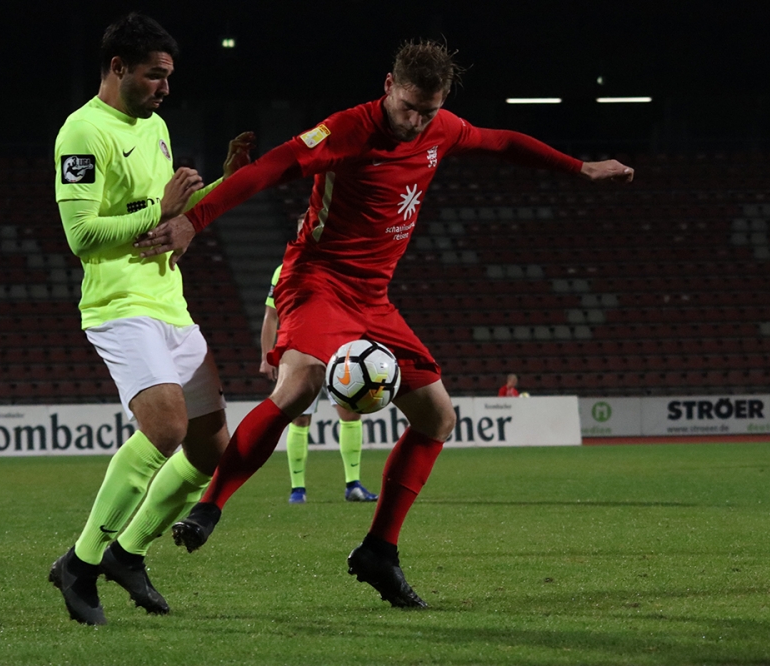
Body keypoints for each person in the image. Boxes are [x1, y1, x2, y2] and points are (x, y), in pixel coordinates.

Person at [138, 39, 633, 609]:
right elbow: (271, 169)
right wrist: (195, 220)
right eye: (409, 108)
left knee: (438, 417)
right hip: (318, 280)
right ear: (389, 86)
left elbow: (502, 141)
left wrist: (580, 168)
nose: (417, 121)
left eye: (429, 111)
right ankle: (210, 506)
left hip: (373, 298)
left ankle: (379, 550)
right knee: (300, 384)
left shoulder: (442, 129)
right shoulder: (347, 129)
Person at [48, 12, 253, 625]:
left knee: (211, 450)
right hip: (119, 305)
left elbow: (169, 219)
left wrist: (223, 185)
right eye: (154, 75)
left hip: (170, 304)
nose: (165, 88)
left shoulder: (156, 127)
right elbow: (81, 234)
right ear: (118, 68)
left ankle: (128, 552)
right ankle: (81, 563)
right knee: (164, 426)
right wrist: (157, 210)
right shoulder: (83, 131)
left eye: (168, 76)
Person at [261, 261, 378, 504]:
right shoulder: (284, 269)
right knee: (300, 418)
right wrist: (266, 356)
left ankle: (353, 485)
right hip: (302, 351)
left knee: (351, 414)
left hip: (339, 351)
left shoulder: (340, 264)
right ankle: (297, 489)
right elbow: (271, 315)